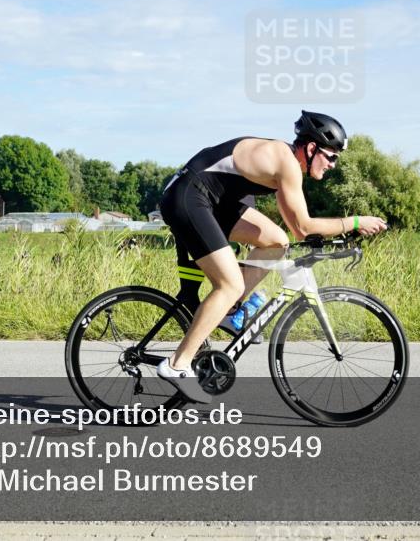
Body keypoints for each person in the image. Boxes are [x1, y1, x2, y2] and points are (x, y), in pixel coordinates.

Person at [157, 111, 388, 402]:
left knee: (276, 242)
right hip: (188, 197)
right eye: (331, 157)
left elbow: (290, 233)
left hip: (213, 200)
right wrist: (354, 222)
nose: (333, 165)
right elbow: (302, 227)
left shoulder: (286, 163)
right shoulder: (286, 163)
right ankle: (177, 364)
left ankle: (230, 312)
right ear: (312, 148)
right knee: (229, 285)